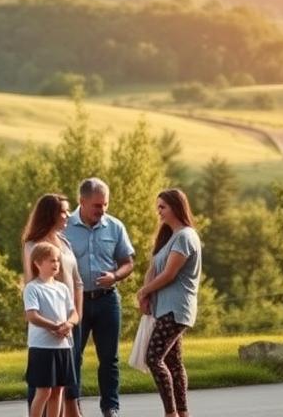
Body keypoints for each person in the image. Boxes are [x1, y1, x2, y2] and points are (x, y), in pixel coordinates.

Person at [65, 178, 135, 417]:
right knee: (73, 357)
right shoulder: (64, 227)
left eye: (104, 204)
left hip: (107, 300)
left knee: (109, 358)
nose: (102, 210)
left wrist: (115, 275)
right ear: (81, 202)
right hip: (76, 302)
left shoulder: (115, 226)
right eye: (97, 205)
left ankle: (110, 408)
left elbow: (128, 262)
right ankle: (74, 408)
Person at [135, 189, 202, 417]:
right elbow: (154, 269)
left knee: (153, 358)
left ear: (176, 206)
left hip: (176, 309)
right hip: (164, 308)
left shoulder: (185, 236)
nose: (159, 211)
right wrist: (147, 297)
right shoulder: (171, 237)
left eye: (162, 207)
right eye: (158, 207)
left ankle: (171, 413)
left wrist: (143, 290)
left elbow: (169, 274)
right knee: (173, 362)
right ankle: (182, 413)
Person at [22, 193, 84, 417]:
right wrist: (52, 324)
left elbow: (77, 281)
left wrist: (73, 320)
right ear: (50, 214)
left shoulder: (64, 242)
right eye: (63, 211)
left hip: (67, 320)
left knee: (62, 385)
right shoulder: (34, 245)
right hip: (46, 324)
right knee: (42, 387)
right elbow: (32, 281)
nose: (68, 215)